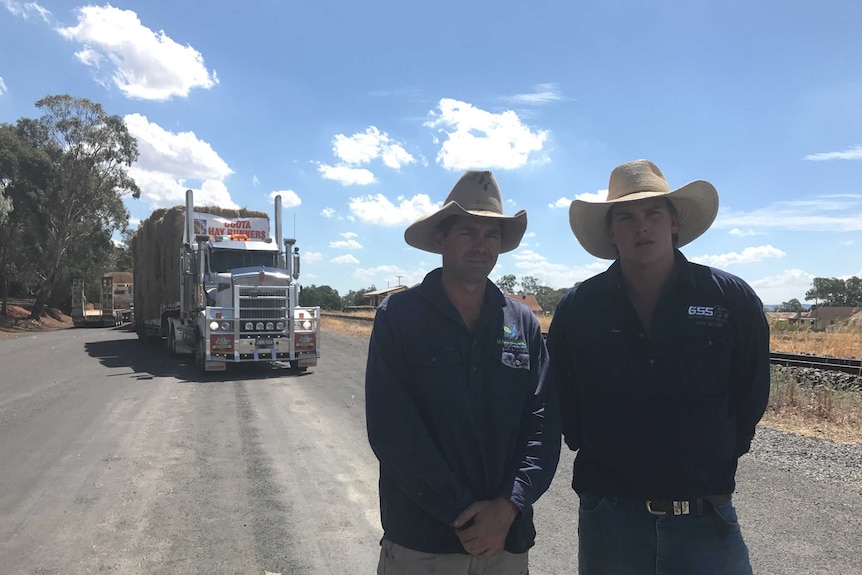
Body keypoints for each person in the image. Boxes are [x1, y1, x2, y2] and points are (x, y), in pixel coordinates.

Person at [546, 159, 770, 575]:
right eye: (626, 217)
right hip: (610, 518)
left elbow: (751, 393)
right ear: (612, 233)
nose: (641, 226)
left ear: (674, 223)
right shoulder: (579, 308)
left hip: (706, 516)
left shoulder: (731, 299)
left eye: (653, 213)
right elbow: (564, 398)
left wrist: (711, 454)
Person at [365, 170, 561, 575]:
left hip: (505, 541)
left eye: (491, 236)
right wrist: (464, 514)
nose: (481, 245)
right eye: (468, 232)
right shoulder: (400, 317)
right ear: (440, 239)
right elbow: (393, 429)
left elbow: (542, 422)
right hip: (424, 540)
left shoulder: (522, 322)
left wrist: (509, 505)